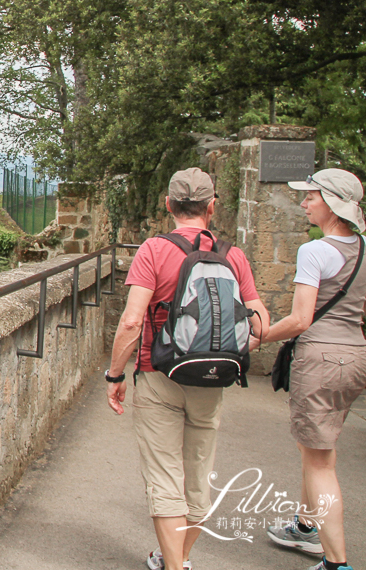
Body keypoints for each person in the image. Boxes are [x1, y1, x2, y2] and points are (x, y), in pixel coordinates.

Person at [105, 168, 270, 570]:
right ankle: (177, 558)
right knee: (197, 483)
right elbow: (260, 322)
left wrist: (115, 375)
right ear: (212, 206)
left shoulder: (154, 250)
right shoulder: (232, 255)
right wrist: (229, 353)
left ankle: (174, 565)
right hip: (212, 382)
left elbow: (131, 321)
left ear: (168, 205)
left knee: (164, 479)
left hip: (159, 375)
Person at [264, 169, 366, 570]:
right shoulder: (363, 248)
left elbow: (301, 318)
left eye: (311, 196)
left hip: (320, 359)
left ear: (332, 203)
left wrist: (259, 337)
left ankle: (336, 563)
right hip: (354, 356)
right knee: (320, 450)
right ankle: (306, 525)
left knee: (319, 461)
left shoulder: (316, 251)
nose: (304, 203)